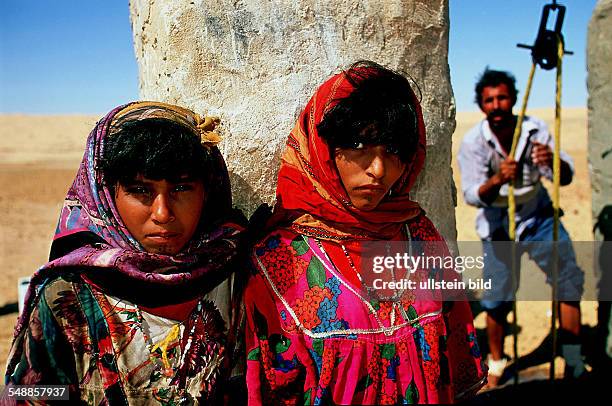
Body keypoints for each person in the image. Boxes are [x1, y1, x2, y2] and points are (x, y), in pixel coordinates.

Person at [244, 61, 486, 404]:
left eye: (393, 151)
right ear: (325, 147)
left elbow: (455, 352)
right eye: (360, 145)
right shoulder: (278, 259)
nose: (379, 170)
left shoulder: (420, 237)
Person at [4, 102, 246, 403]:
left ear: (207, 191)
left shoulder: (237, 279)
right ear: (106, 194)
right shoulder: (66, 298)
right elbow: (33, 395)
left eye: (181, 188)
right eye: (140, 190)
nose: (162, 212)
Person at [457, 68, 586, 385]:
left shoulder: (533, 128)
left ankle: (572, 358)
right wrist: (499, 178)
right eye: (490, 100)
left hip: (537, 215)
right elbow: (473, 195)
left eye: (502, 97)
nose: (497, 104)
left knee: (567, 282)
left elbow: (564, 177)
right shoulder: (474, 142)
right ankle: (497, 363)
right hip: (497, 223)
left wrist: (553, 160)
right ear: (481, 105)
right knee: (497, 298)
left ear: (513, 99)